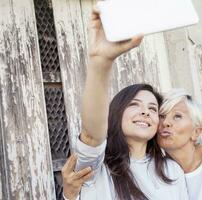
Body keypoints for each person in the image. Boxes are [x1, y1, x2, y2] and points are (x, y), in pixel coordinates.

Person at [61, 9, 188, 200]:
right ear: (116, 113)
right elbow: (92, 133)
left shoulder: (172, 171)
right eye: (135, 105)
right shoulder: (96, 167)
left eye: (153, 109)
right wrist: (101, 62)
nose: (145, 112)